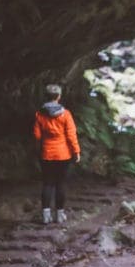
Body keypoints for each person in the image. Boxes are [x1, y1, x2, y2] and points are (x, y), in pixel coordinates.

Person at [32, 84, 80, 224]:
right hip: (63, 154)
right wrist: (76, 151)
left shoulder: (40, 114)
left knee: (47, 183)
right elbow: (71, 135)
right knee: (60, 183)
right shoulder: (66, 114)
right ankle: (60, 215)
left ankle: (46, 216)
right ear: (59, 97)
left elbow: (36, 135)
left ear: (46, 97)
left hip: (46, 153)